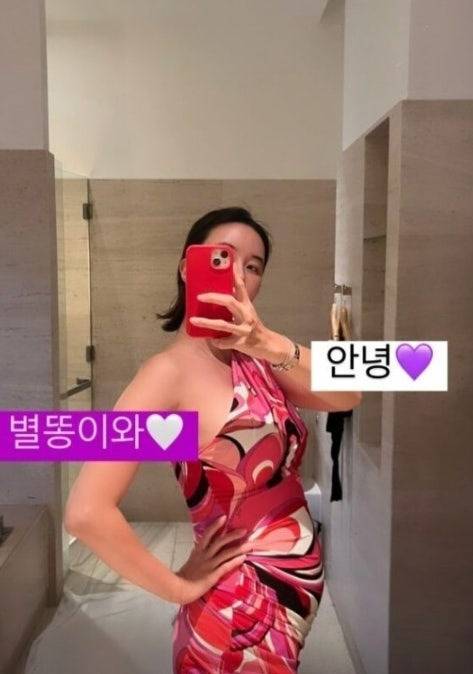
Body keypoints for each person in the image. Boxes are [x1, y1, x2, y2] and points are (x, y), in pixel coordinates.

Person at [64, 207, 362, 673]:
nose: (239, 275)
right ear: (189, 268)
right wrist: (177, 588)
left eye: (254, 266)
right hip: (237, 616)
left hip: (282, 604)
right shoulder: (166, 374)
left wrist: (265, 342)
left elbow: (348, 393)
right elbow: (86, 511)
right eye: (224, 258)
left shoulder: (254, 359)